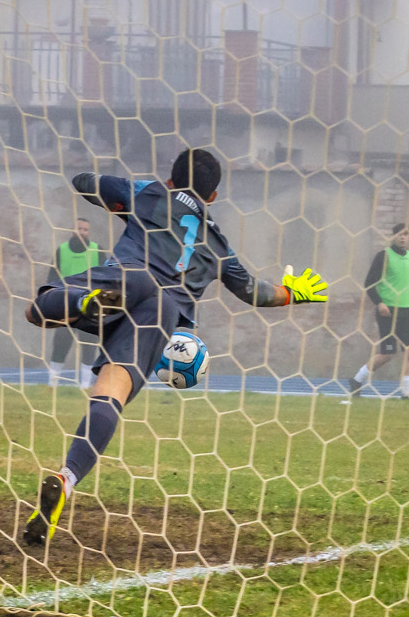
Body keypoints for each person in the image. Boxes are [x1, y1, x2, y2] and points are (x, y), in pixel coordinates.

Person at [21, 149, 328, 545]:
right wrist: (292, 293)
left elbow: (84, 182)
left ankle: (83, 303)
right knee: (109, 395)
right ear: (213, 197)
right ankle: (67, 478)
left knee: (36, 311)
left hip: (127, 277)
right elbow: (254, 292)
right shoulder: (219, 244)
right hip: (163, 311)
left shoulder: (148, 193)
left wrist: (124, 203)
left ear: (170, 178)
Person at [346, 224, 409, 401]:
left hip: (406, 312)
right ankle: (356, 380)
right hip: (387, 313)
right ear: (394, 236)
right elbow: (369, 283)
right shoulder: (383, 256)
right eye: (399, 234)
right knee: (388, 354)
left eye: (406, 234)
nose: (403, 237)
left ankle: (407, 393)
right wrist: (379, 303)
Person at [46, 218, 107, 387]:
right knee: (60, 344)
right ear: (72, 230)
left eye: (85, 229)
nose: (82, 232)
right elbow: (52, 277)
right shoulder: (62, 251)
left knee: (89, 346)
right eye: (79, 228)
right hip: (66, 307)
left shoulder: (97, 250)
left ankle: (85, 386)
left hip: (89, 308)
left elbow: (106, 277)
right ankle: (52, 384)